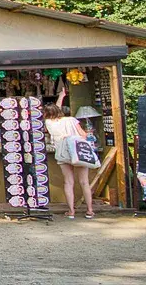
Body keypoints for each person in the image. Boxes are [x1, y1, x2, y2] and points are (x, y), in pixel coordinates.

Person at [44, 90, 94, 219]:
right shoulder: (71, 120)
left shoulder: (49, 123)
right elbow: (83, 135)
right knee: (84, 182)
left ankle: (71, 211)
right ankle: (89, 210)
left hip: (62, 153)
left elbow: (55, 110)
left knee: (68, 182)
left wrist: (60, 97)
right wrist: (62, 96)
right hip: (78, 151)